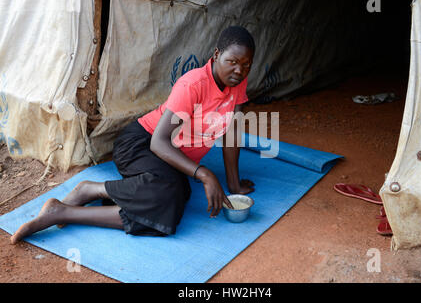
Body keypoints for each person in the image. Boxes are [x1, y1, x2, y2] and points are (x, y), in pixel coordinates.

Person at [10, 26, 256, 244]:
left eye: (246, 64)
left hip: (171, 159)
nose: (239, 70)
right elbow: (159, 142)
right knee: (165, 196)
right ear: (216, 55)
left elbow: (231, 130)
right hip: (142, 143)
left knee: (171, 204)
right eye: (232, 61)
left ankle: (73, 205)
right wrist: (204, 173)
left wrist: (233, 185)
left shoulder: (237, 83)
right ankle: (84, 195)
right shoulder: (193, 85)